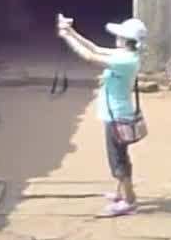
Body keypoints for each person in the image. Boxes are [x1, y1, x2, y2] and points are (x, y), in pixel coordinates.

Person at [56, 13, 147, 217]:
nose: (117, 38)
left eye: (121, 35)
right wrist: (70, 31)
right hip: (118, 115)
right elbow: (94, 48)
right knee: (120, 157)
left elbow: (90, 57)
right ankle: (122, 194)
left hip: (117, 117)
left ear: (127, 40)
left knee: (118, 160)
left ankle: (129, 201)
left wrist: (66, 36)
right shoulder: (126, 55)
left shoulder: (124, 60)